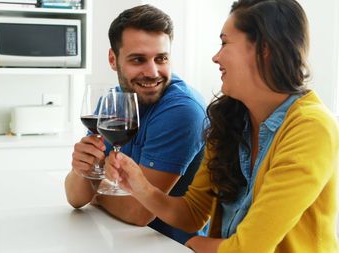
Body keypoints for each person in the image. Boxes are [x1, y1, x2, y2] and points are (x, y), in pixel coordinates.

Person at [105, 0, 339, 252]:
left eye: (225, 42)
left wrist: (196, 243)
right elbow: (193, 213)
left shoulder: (311, 128)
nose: (216, 56)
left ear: (264, 50)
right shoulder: (231, 118)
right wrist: (141, 188)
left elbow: (248, 249)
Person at [64, 4, 208, 243]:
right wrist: (83, 169)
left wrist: (95, 193)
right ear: (113, 59)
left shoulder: (182, 111)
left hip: (168, 244)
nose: (152, 72)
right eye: (138, 59)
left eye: (161, 58)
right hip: (121, 237)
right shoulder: (113, 101)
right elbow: (76, 198)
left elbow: (139, 212)